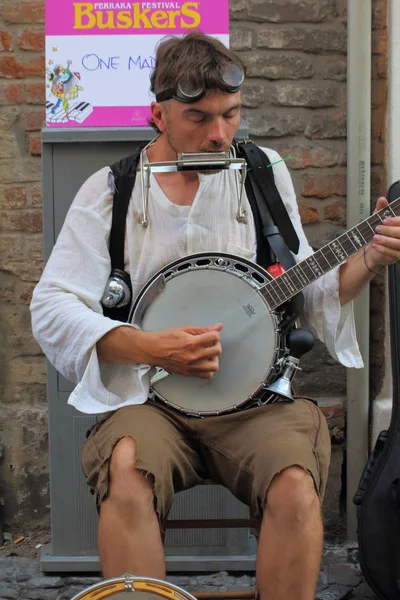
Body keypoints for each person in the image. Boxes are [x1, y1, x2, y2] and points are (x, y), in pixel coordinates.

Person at [31, 32, 400, 600]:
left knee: (296, 482)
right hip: (147, 399)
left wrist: (369, 259)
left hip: (256, 403)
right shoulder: (113, 190)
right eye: (198, 117)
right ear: (158, 114)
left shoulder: (260, 171)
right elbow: (52, 306)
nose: (219, 134)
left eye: (230, 115)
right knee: (127, 468)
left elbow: (307, 283)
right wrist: (150, 347)